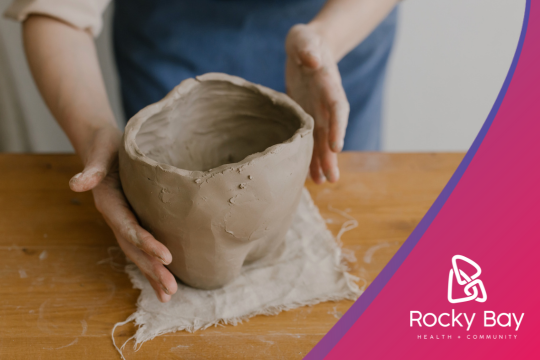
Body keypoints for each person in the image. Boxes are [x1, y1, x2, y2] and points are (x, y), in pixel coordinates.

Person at [5, 0, 399, 302]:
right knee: (187, 235)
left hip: (326, 45)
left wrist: (325, 40)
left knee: (340, 200)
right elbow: (56, 11)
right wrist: (94, 135)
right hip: (170, 42)